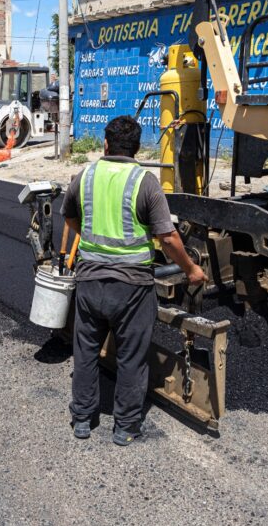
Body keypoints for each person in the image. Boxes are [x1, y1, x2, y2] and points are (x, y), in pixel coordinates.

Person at [61, 115, 207, 446]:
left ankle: (83, 418)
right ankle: (125, 426)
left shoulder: (84, 176)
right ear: (138, 148)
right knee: (130, 356)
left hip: (90, 282)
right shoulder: (145, 182)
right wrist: (191, 270)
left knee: (85, 352)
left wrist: (91, 242)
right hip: (132, 289)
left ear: (106, 144)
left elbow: (69, 216)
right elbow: (168, 238)